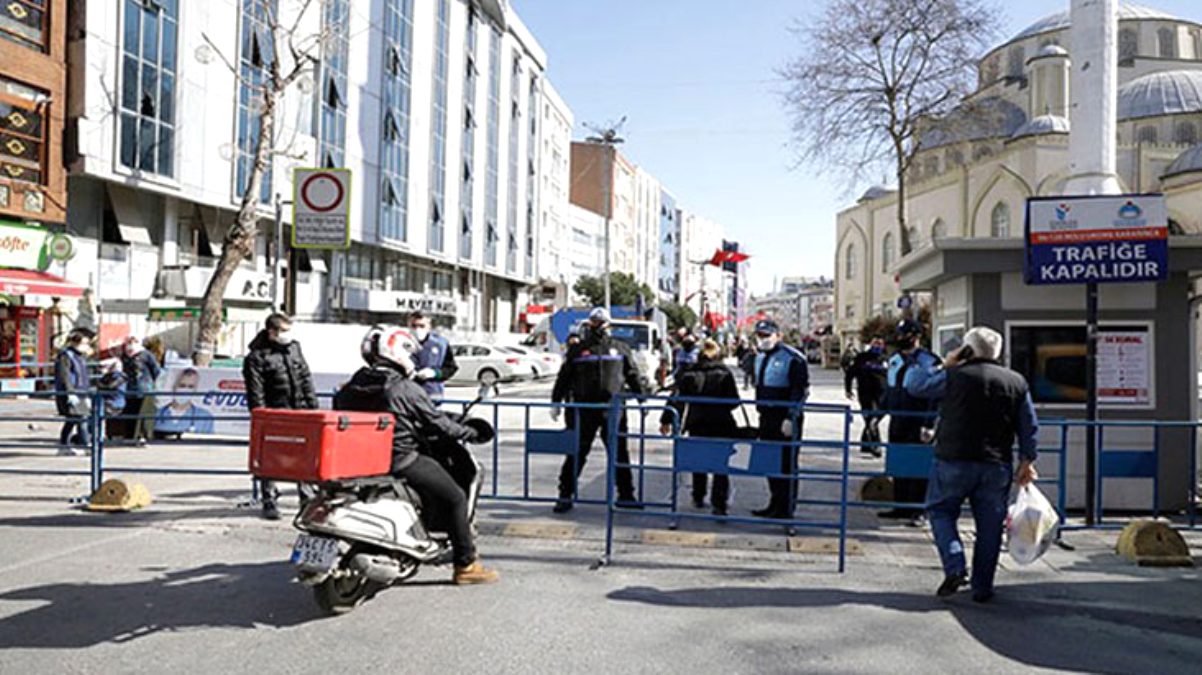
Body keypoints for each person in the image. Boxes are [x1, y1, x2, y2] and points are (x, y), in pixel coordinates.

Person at [334, 325, 498, 585]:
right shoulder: (403, 388)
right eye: (409, 354)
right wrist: (470, 433)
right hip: (400, 459)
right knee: (455, 497)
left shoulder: (351, 386)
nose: (411, 360)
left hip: (360, 461)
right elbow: (438, 423)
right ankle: (466, 565)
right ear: (398, 352)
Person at [905, 326, 1039, 603]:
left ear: (967, 350)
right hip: (995, 463)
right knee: (990, 527)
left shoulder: (954, 376)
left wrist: (945, 362)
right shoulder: (1015, 381)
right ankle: (982, 587)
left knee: (941, 512)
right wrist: (1027, 459)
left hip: (953, 459)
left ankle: (955, 565)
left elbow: (914, 385)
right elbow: (1028, 425)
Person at [549, 307, 650, 514]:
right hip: (584, 409)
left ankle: (626, 495)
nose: (599, 326)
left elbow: (632, 374)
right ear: (589, 324)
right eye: (595, 322)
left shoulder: (620, 348)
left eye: (602, 323)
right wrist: (556, 401)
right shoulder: (578, 350)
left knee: (619, 452)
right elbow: (564, 377)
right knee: (577, 452)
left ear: (609, 325)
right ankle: (565, 495)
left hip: (613, 410)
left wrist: (642, 399)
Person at [243, 313, 318, 520]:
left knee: (304, 456)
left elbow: (305, 377)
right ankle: (269, 499)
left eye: (288, 330)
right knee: (270, 458)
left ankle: (307, 499)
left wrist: (312, 407)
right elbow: (255, 392)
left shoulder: (294, 348)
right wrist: (262, 416)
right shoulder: (256, 357)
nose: (287, 335)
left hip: (300, 410)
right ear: (271, 332)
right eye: (283, 331)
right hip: (274, 414)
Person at [660, 339, 740, 516]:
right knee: (721, 465)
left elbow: (676, 399)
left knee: (699, 461)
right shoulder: (724, 373)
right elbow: (734, 401)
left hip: (697, 422)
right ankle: (719, 503)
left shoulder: (690, 373)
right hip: (721, 424)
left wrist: (666, 420)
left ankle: (698, 496)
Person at [879, 319, 940, 525]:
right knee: (899, 462)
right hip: (898, 418)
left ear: (916, 337)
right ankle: (900, 506)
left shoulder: (928, 361)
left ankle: (919, 510)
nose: (900, 339)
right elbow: (889, 389)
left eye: (905, 335)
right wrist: (876, 416)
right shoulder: (894, 359)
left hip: (918, 418)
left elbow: (935, 394)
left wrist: (930, 424)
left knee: (919, 466)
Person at [750, 319, 809, 519]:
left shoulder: (793, 358)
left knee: (786, 464)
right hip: (765, 416)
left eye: (767, 335)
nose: (763, 340)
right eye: (760, 336)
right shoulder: (759, 357)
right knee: (770, 462)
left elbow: (799, 391)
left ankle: (786, 507)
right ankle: (774, 503)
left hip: (784, 417)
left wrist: (791, 417)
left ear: (778, 335)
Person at [845, 336, 888, 457]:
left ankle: (865, 444)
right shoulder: (861, 358)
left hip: (882, 395)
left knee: (874, 418)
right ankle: (876, 446)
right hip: (866, 394)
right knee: (870, 418)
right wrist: (848, 389)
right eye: (875, 343)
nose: (877, 346)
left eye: (880, 344)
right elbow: (850, 373)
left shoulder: (885, 359)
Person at [53, 331, 94, 456]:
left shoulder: (80, 357)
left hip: (81, 392)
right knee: (81, 419)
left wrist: (87, 393)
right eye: (84, 343)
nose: (86, 346)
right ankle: (85, 445)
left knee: (72, 420)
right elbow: (64, 375)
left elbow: (84, 375)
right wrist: (70, 392)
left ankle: (64, 445)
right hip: (71, 393)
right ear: (75, 343)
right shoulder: (66, 356)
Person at [408, 311, 458, 399]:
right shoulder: (400, 343)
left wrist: (435, 373)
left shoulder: (441, 344)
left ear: (429, 327)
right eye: (414, 326)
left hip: (432, 395)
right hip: (408, 394)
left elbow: (451, 368)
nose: (417, 329)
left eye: (421, 326)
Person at [121, 336, 162, 444]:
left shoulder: (146, 355)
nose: (130, 346)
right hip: (129, 389)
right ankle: (129, 436)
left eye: (133, 342)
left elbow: (156, 371)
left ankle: (141, 436)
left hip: (145, 389)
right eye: (129, 343)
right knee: (130, 412)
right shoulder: (125, 356)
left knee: (143, 413)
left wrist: (155, 385)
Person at [154, 368, 216, 436]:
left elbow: (208, 443)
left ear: (195, 390)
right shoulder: (157, 413)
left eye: (190, 387)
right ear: (174, 387)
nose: (185, 390)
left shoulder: (204, 417)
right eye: (182, 385)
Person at [97, 359, 128, 440]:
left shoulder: (120, 377)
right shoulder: (108, 376)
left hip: (115, 402)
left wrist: (101, 386)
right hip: (109, 401)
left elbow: (111, 387)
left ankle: (104, 434)